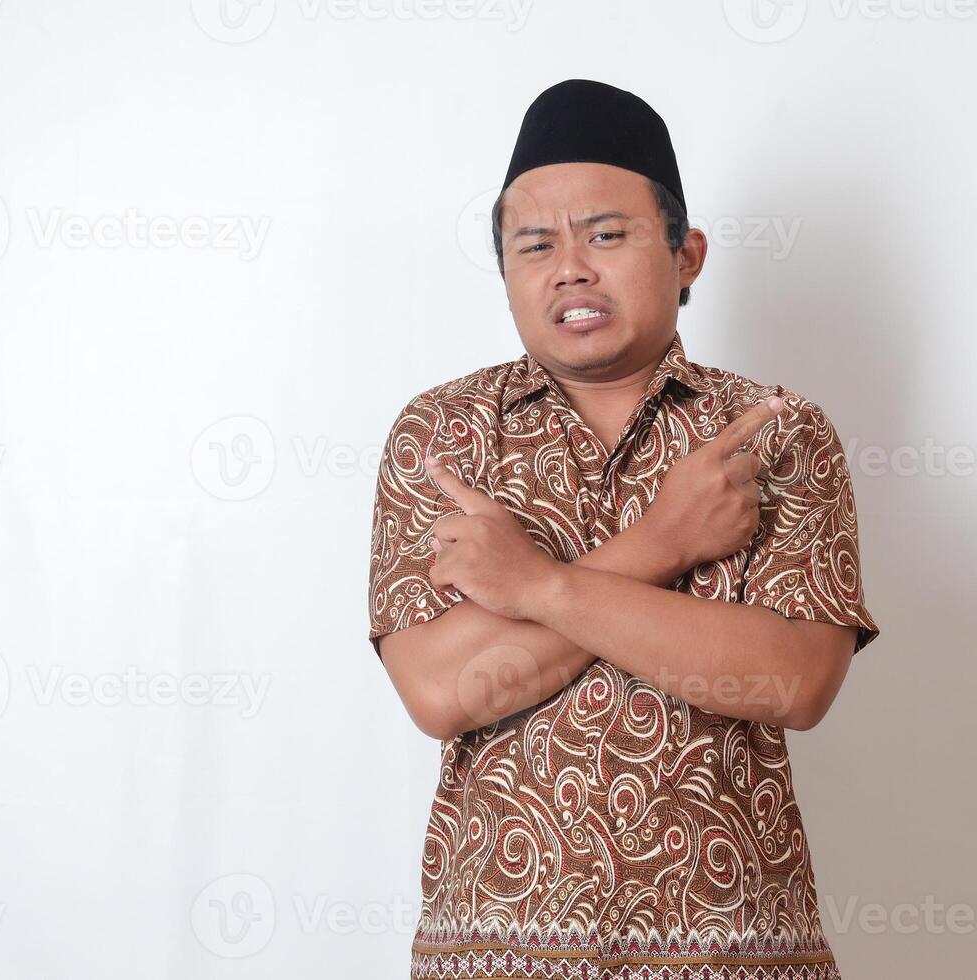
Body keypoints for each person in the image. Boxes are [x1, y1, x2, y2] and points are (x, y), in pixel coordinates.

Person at [367, 78, 879, 980]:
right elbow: (445, 691)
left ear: (687, 256)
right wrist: (666, 541)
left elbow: (793, 680)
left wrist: (534, 589)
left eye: (607, 234)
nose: (571, 267)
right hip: (497, 958)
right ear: (507, 273)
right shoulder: (442, 436)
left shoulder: (776, 431)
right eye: (536, 245)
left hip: (732, 956)